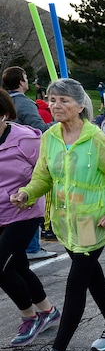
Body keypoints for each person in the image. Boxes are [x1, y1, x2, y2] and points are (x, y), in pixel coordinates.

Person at [10, 78, 105, 351]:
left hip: (91, 224)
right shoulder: (50, 137)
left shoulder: (95, 139)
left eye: (64, 100)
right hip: (64, 225)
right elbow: (43, 177)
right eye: (52, 99)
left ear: (81, 105)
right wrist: (27, 194)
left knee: (76, 283)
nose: (55, 105)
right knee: (92, 275)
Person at [0, 90, 61, 347]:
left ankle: (30, 316)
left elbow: (49, 172)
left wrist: (29, 195)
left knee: (1, 268)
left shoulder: (25, 140)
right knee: (18, 267)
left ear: (3, 114)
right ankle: (48, 311)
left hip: (23, 211)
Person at [2, 66, 56, 260]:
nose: (29, 82)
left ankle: (29, 248)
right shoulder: (24, 104)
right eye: (26, 78)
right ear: (21, 82)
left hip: (19, 201)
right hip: (21, 169)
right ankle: (31, 248)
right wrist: (57, 123)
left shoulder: (10, 103)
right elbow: (40, 128)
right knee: (17, 268)